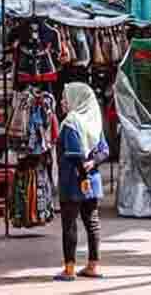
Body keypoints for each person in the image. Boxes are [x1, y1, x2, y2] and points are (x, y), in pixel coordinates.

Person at [55, 83, 109, 282]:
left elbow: (74, 152)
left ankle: (69, 269)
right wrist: (93, 163)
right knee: (92, 223)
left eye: (65, 98)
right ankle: (93, 266)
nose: (62, 102)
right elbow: (105, 150)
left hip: (72, 181)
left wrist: (82, 169)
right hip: (93, 182)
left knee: (69, 224)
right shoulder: (94, 121)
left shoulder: (71, 122)